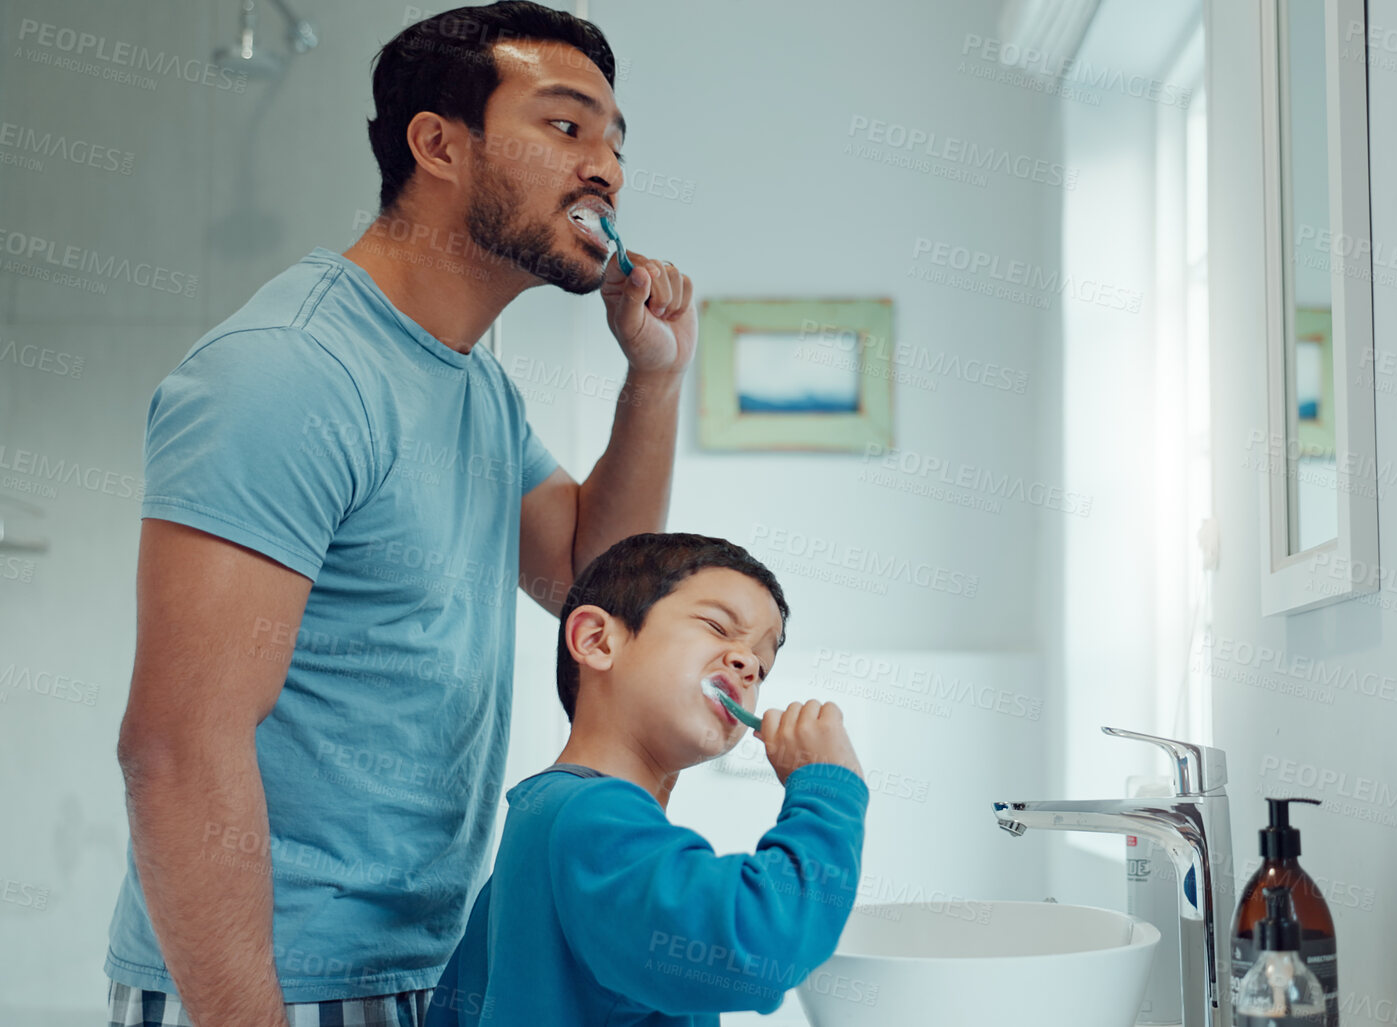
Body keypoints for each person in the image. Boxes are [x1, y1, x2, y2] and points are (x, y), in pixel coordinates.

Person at [105, 5, 690, 1025]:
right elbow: (175, 746)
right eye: (566, 127)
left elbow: (589, 583)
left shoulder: (471, 387)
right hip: (275, 983)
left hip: (426, 966)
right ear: (437, 145)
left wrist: (654, 378)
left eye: (614, 141)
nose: (607, 168)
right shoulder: (290, 373)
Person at [428, 532, 868, 1025]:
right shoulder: (590, 818)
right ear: (595, 640)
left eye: (762, 665)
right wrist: (828, 789)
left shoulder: (547, 818)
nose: (747, 665)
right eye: (718, 627)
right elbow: (759, 948)